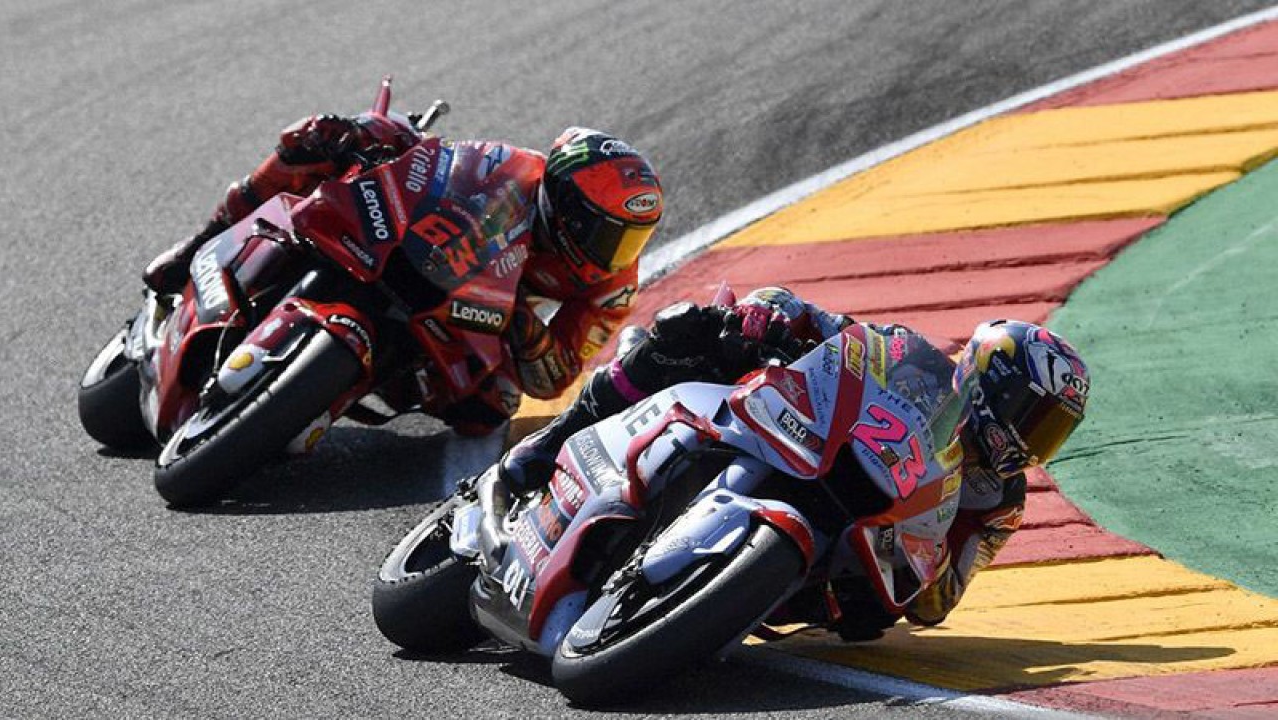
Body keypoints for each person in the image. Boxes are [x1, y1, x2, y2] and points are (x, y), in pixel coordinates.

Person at [487, 286, 1090, 638]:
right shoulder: (916, 363)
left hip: (849, 545)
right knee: (685, 337)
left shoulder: (1001, 501)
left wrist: (915, 585)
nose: (1029, 440)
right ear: (988, 379)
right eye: (1029, 414)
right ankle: (548, 447)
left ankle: (701, 603)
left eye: (1050, 430)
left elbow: (943, 596)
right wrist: (770, 312)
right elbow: (828, 326)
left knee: (867, 619)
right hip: (794, 434)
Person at [143, 113, 663, 434]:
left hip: (482, 316)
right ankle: (199, 241)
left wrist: (524, 329)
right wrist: (369, 141)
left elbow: (558, 377)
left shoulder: (611, 286)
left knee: (491, 408)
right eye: (607, 233)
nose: (616, 252)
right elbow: (432, 164)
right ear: (565, 204)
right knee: (317, 135)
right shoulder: (511, 168)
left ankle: (350, 384)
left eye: (631, 239)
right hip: (419, 251)